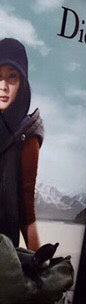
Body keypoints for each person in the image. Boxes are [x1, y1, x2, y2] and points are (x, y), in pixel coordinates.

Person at [0, 38, 43, 251]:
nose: (3, 86)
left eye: (12, 77)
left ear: (22, 82)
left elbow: (27, 212)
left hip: (3, 253)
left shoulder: (27, 134)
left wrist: (40, 263)